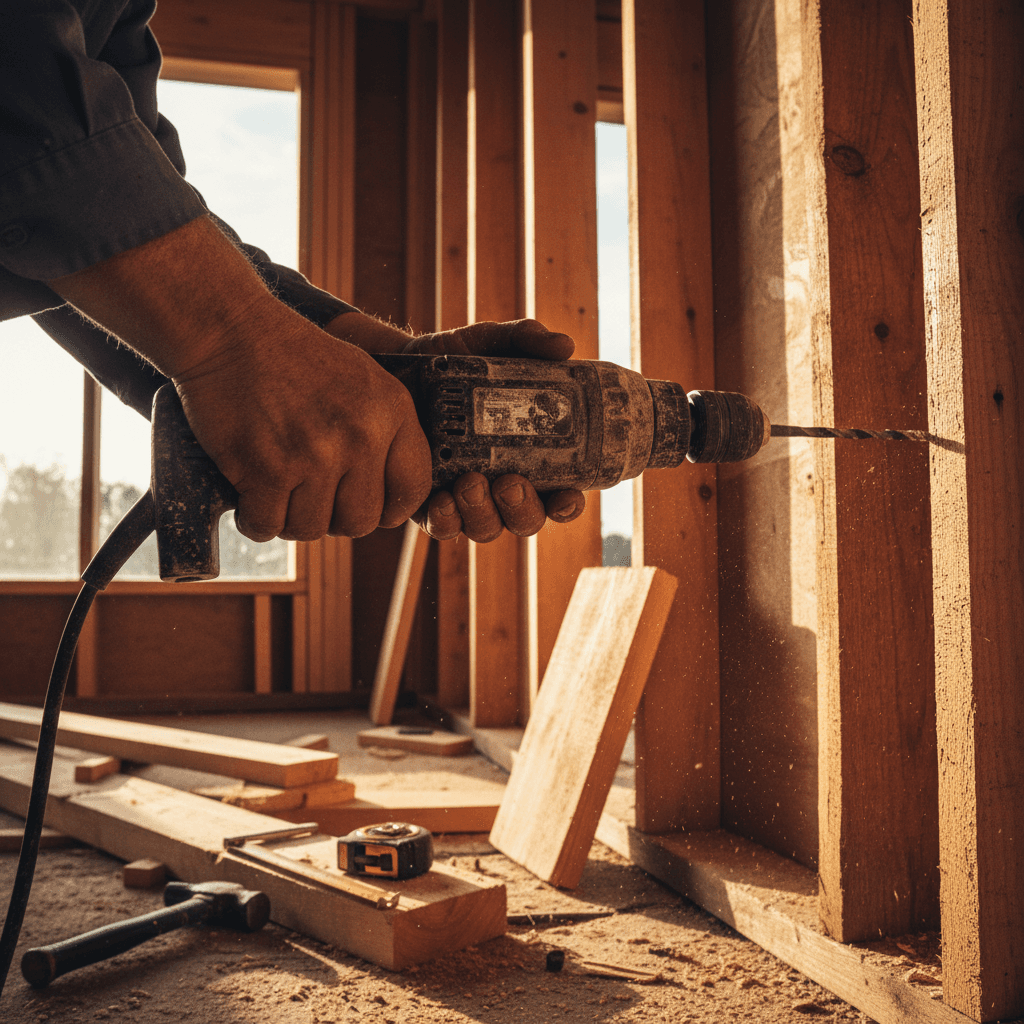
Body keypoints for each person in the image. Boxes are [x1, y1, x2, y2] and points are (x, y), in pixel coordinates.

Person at [0, 0, 585, 545]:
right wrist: (237, 339)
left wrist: (370, 356)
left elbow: (106, 210)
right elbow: (26, 99)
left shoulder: (114, 21)